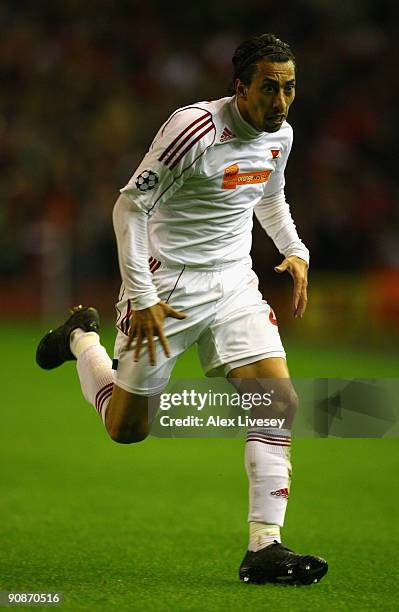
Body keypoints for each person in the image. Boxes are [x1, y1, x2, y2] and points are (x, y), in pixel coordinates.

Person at [36, 33, 328, 585]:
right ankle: (80, 339)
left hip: (235, 283)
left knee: (278, 402)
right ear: (239, 89)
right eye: (270, 88)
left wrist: (294, 249)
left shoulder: (280, 134)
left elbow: (269, 195)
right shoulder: (193, 128)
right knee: (127, 430)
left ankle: (265, 546)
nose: (283, 101)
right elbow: (130, 206)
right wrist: (142, 296)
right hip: (167, 287)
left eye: (290, 88)